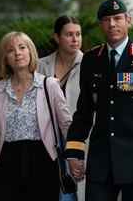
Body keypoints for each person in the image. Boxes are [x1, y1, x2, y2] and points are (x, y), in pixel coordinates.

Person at [64, 0, 133, 201]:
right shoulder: (91, 60)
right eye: (106, 20)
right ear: (101, 25)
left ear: (127, 20)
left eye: (117, 18)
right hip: (102, 161)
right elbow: (84, 110)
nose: (112, 24)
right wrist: (74, 151)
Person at [0, 31, 72, 201]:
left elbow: (66, 125)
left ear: (30, 52)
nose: (17, 53)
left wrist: (75, 156)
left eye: (22, 47)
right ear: (5, 58)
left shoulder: (49, 85)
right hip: (5, 162)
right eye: (10, 50)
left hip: (43, 161)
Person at [38, 15, 84, 201]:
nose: (75, 39)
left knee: (75, 191)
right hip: (48, 139)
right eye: (69, 34)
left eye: (78, 34)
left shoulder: (90, 63)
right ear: (57, 37)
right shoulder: (41, 65)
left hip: (79, 138)